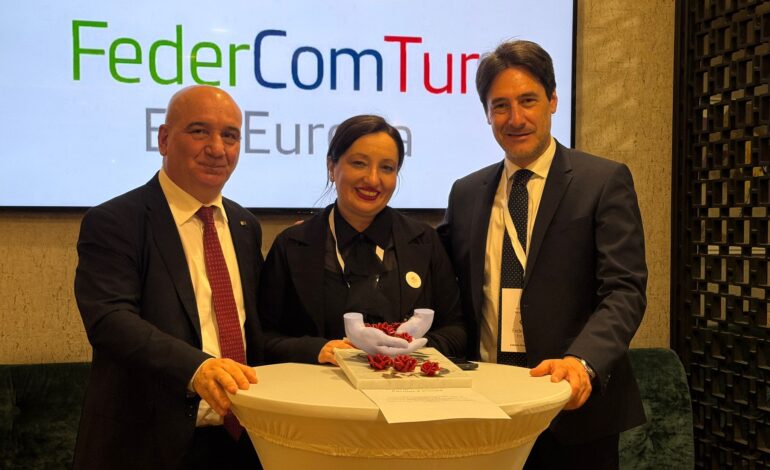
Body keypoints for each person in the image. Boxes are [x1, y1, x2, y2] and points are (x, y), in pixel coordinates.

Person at [437, 40, 647, 469]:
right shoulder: (466, 193)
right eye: (500, 106)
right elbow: (440, 283)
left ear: (552, 100)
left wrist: (582, 361)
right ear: (486, 114)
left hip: (571, 411)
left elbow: (624, 290)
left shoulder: (602, 181)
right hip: (486, 410)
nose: (515, 118)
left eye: (528, 100)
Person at [73, 86, 263, 469]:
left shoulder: (245, 226)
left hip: (244, 442)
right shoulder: (115, 221)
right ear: (163, 139)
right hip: (147, 447)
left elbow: (256, 331)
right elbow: (110, 320)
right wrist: (197, 368)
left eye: (230, 135)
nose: (217, 148)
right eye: (199, 131)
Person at [258, 114, 467, 365]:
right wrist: (316, 350)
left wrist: (410, 349)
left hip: (406, 384)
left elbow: (457, 330)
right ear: (331, 167)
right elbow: (263, 338)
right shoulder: (291, 245)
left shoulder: (425, 241)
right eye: (359, 163)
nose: (373, 179)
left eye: (387, 168)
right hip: (319, 386)